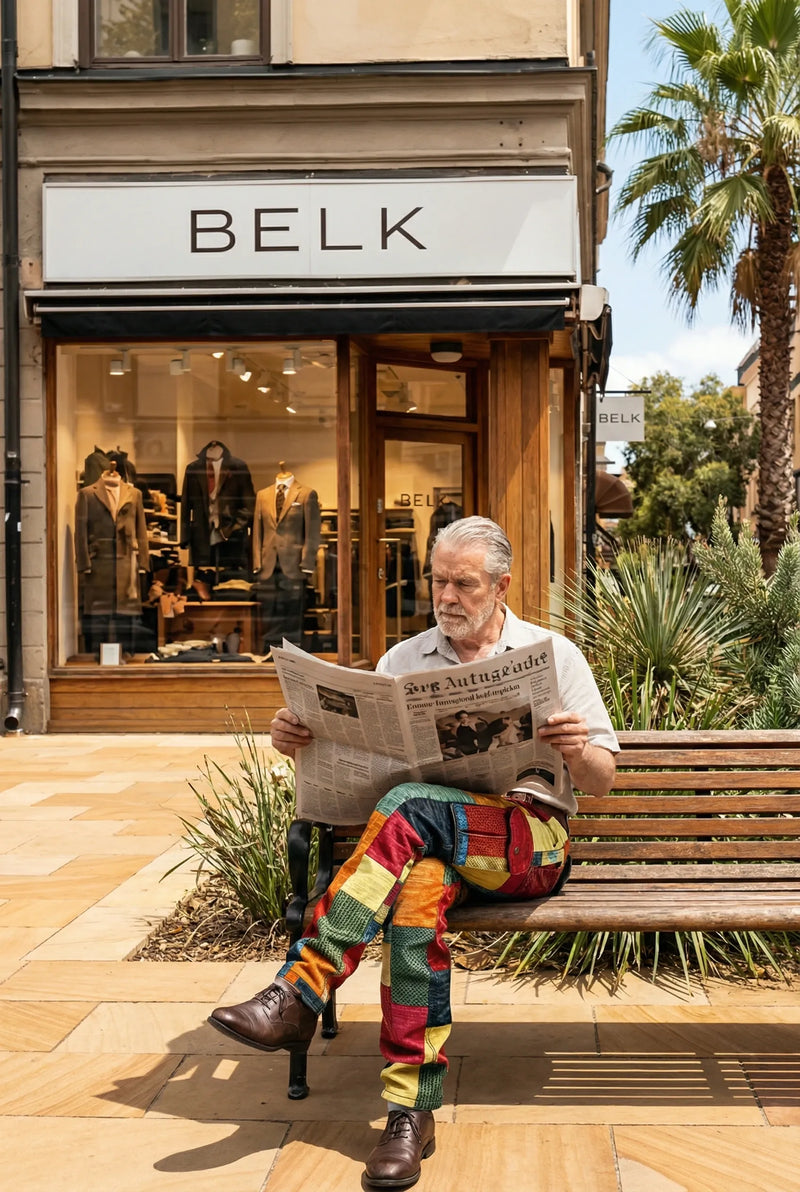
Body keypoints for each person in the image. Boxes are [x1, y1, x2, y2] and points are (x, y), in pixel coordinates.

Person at [210, 516, 618, 1190]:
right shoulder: (402, 662)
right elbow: (369, 767)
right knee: (417, 895)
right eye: (438, 581)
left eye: (465, 584)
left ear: (501, 586)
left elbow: (601, 781)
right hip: (436, 845)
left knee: (412, 807)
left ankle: (301, 989)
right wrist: (301, 740)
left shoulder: (553, 655)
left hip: (527, 843)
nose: (447, 596)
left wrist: (578, 749)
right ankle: (410, 1112)